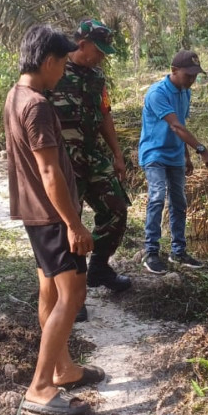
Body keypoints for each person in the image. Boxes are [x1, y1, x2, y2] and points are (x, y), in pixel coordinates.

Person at [4, 24, 105, 415]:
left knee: (50, 291)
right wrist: (74, 225)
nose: (65, 70)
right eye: (63, 62)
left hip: (34, 213)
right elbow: (49, 173)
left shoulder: (16, 96)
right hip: (52, 217)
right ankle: (41, 386)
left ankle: (63, 368)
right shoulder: (38, 106)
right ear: (48, 61)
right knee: (73, 295)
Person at [49, 19, 132, 320]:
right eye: (99, 50)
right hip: (63, 160)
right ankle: (73, 292)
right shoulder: (54, 72)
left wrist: (117, 155)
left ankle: (99, 268)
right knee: (70, 224)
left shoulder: (97, 77)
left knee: (116, 208)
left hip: (93, 154)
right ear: (81, 44)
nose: (102, 57)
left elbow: (104, 115)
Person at [138, 50, 208, 275]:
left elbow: (180, 125)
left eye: (195, 75)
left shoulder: (185, 93)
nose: (192, 80)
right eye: (188, 75)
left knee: (179, 202)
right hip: (154, 153)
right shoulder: (157, 93)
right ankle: (151, 252)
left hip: (174, 155)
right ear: (174, 71)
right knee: (157, 197)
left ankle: (178, 252)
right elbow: (175, 126)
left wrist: (185, 156)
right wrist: (202, 151)